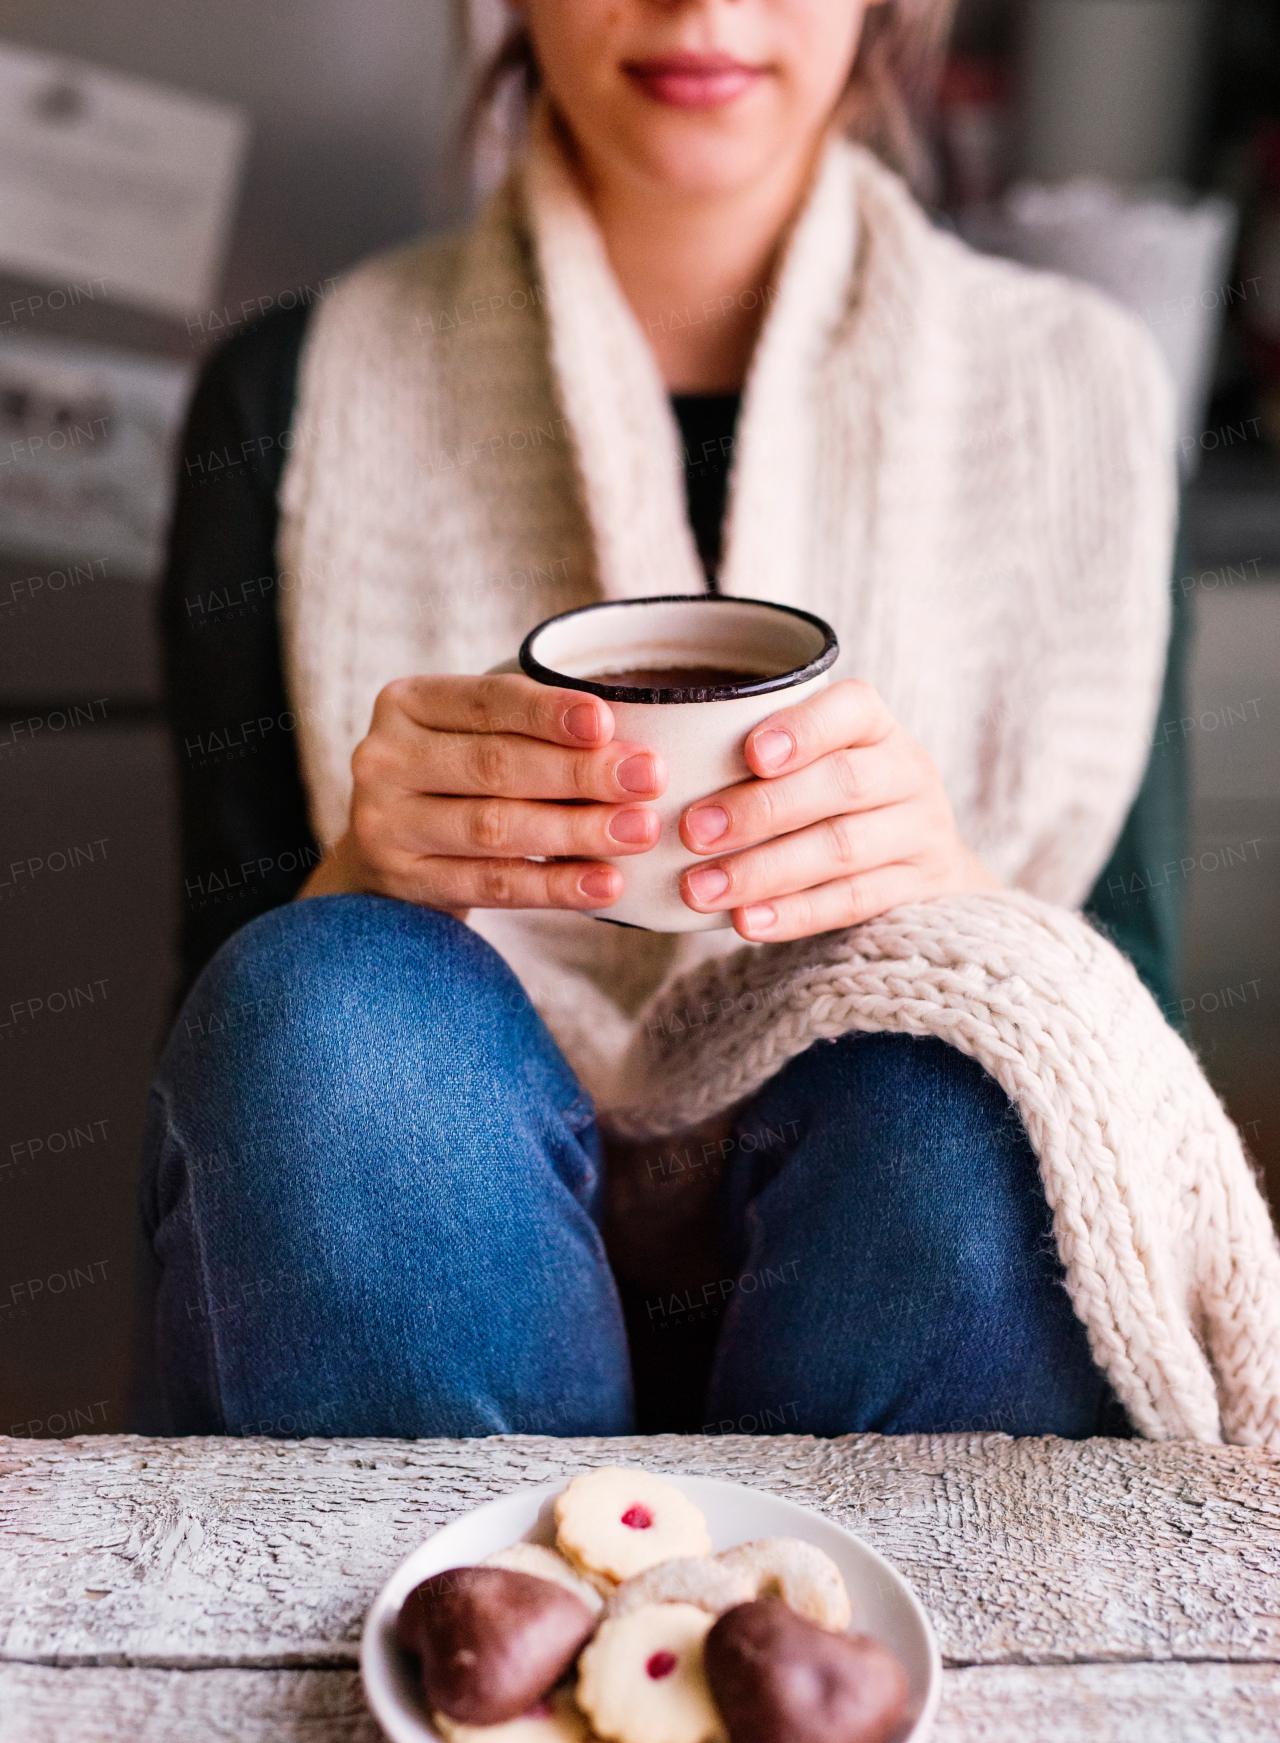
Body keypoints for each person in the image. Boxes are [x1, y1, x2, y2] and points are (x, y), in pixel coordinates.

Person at [137, 0, 1190, 1444]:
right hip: (416, 1274)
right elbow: (226, 1062)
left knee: (976, 1088)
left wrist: (957, 899)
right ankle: (471, 1632)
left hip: (901, 1265)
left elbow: (1137, 1028)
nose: (700, 7)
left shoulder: (1087, 397)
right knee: (316, 1004)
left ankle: (838, 1647)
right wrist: (358, 874)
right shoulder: (288, 391)